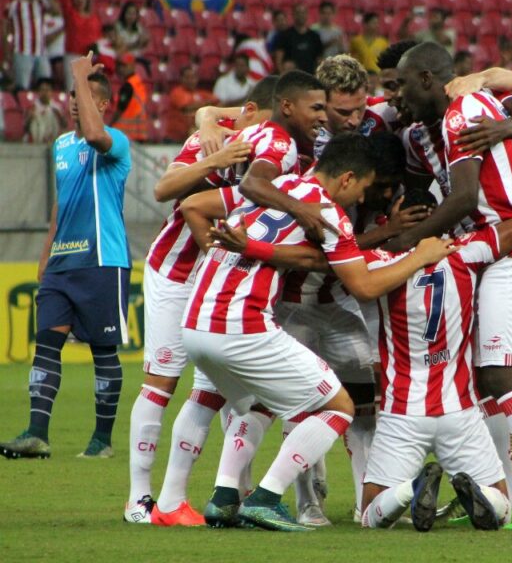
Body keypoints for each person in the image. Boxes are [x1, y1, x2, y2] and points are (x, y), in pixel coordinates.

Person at [209, 135, 512, 532]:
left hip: (401, 413)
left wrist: (252, 247)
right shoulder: (468, 254)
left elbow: (317, 264)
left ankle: (410, 492)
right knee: (503, 506)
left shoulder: (379, 263)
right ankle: (482, 500)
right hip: (459, 410)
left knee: (373, 515)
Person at [180, 132, 455, 532]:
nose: (361, 199)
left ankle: (224, 499)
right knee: (338, 407)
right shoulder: (330, 214)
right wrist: (419, 256)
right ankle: (265, 498)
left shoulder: (278, 187)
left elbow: (200, 207)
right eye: (361, 189)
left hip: (196, 323)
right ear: (346, 179)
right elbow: (363, 286)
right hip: (243, 326)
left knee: (259, 401)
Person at [388, 41, 512, 529]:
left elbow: (465, 195)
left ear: (428, 79)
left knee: (500, 371)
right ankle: (507, 494)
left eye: (403, 85)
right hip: (506, 246)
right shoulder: (461, 108)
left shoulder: (458, 116)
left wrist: (405, 243)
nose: (397, 96)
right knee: (485, 372)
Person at [123, 77, 278, 526]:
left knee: (229, 389)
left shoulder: (279, 151)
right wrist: (220, 150)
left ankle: (233, 493)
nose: (263, 140)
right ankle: (139, 499)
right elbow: (163, 187)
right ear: (246, 113)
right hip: (176, 273)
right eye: (259, 127)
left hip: (223, 276)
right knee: (162, 381)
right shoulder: (215, 138)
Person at [0, 52, 131, 460]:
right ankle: (37, 433)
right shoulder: (59, 145)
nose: (74, 101)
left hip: (102, 259)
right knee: (46, 344)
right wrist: (45, 253)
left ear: (103, 105)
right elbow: (60, 205)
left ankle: (102, 440)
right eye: (72, 95)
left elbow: (94, 135)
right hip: (62, 262)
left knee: (103, 352)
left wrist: (78, 70)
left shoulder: (116, 141)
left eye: (83, 95)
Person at [4, 0, 51, 91]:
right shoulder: (15, 5)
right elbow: (5, 24)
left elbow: (55, 8)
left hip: (41, 51)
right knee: (22, 86)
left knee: (45, 82)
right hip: (22, 50)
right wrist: (7, 49)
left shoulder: (41, 3)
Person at [60, 0, 101, 91]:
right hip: (73, 56)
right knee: (73, 89)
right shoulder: (70, 14)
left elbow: (98, 37)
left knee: (88, 90)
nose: (80, 0)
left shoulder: (94, 17)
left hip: (90, 58)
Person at [166, 65, 218, 143]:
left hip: (194, 135)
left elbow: (218, 101)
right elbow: (187, 108)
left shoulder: (200, 94)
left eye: (193, 77)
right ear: (181, 79)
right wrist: (206, 104)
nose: (190, 80)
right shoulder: (177, 92)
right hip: (177, 137)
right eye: (187, 77)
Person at [273, 4, 323, 74]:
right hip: (291, 78)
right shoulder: (285, 35)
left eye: (303, 13)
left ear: (307, 14)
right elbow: (278, 59)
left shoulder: (314, 36)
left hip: (310, 77)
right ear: (293, 15)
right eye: (298, 13)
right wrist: (282, 76)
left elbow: (319, 59)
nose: (301, 15)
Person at [111, 53, 149, 142]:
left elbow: (120, 109)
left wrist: (110, 127)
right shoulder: (137, 82)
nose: (121, 69)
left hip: (126, 134)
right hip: (138, 134)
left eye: (124, 66)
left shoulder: (128, 86)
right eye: (119, 66)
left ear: (132, 66)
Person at [25, 77, 67, 143]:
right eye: (42, 90)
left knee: (53, 115)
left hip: (52, 135)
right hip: (37, 137)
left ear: (51, 92)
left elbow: (65, 125)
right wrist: (30, 117)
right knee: (35, 118)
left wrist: (60, 116)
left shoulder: (56, 107)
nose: (45, 93)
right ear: (38, 92)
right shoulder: (33, 106)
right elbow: (25, 128)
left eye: (47, 90)